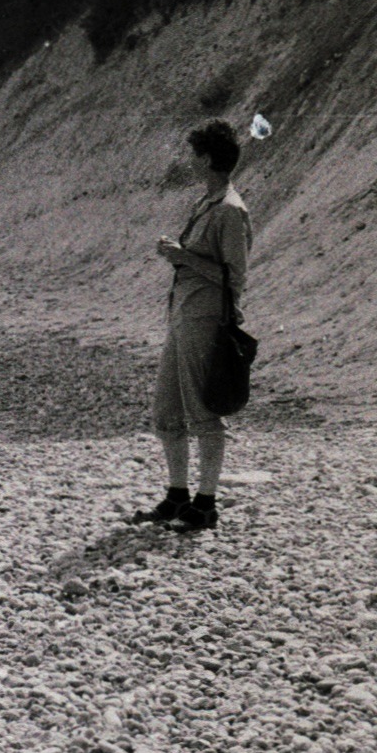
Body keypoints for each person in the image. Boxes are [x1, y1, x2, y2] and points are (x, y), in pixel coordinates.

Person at [134, 119, 253, 532]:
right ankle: (177, 496)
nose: (191, 161)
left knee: (204, 414)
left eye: (195, 155)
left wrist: (183, 258)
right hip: (184, 315)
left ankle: (205, 504)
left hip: (205, 319)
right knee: (166, 412)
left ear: (206, 159)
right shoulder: (208, 203)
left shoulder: (229, 210)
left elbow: (234, 277)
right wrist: (181, 254)